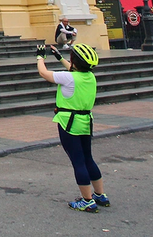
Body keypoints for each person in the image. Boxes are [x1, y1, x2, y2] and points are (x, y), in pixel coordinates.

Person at [36, 42, 108, 213]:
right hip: (85, 122)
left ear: (75, 61)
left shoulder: (69, 78)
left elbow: (43, 73)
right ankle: (100, 195)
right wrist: (59, 57)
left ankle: (87, 201)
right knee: (88, 158)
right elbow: (74, 70)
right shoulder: (89, 77)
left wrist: (40, 57)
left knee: (78, 161)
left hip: (68, 123)